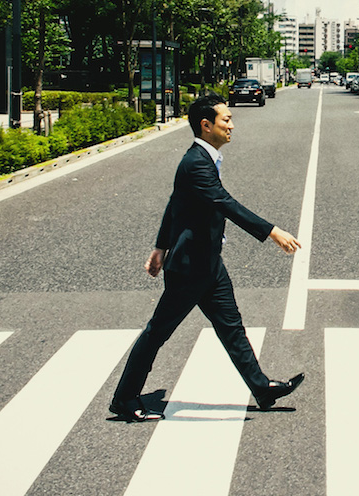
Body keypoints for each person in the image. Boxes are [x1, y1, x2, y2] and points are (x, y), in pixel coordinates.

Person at [109, 93, 304, 421]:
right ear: (206, 125)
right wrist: (273, 232)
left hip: (208, 263)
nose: (231, 125)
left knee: (232, 328)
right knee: (157, 332)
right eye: (225, 119)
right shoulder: (196, 163)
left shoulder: (203, 160)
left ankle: (262, 388)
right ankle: (125, 398)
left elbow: (175, 204)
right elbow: (225, 203)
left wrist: (159, 247)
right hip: (190, 268)